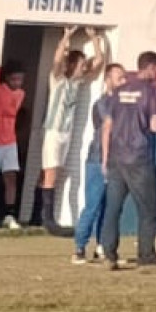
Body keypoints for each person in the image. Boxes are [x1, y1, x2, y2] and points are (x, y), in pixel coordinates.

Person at [33, 29, 104, 235]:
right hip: (53, 130)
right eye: (81, 65)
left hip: (66, 131)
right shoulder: (58, 80)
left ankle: (38, 214)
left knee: (49, 172)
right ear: (72, 65)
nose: (84, 68)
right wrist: (66, 36)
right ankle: (48, 220)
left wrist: (94, 40)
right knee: (51, 172)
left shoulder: (77, 83)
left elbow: (98, 63)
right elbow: (57, 60)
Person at [98, 56, 156, 269]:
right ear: (151, 68)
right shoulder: (152, 92)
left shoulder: (118, 92)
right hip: (139, 157)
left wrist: (105, 158)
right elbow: (154, 126)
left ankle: (109, 255)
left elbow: (108, 125)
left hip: (117, 157)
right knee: (147, 209)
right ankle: (146, 258)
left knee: (113, 208)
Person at [73, 62, 121, 264]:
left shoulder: (124, 104)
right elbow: (105, 128)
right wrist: (104, 159)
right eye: (119, 78)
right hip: (97, 160)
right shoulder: (102, 103)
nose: (123, 82)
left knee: (109, 206)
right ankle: (79, 247)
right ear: (108, 80)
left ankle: (102, 246)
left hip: (117, 161)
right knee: (92, 204)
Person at [0, 63, 27, 230]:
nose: (18, 82)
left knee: (11, 176)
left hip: (10, 140)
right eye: (14, 79)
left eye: (20, 79)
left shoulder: (20, 94)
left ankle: (9, 213)